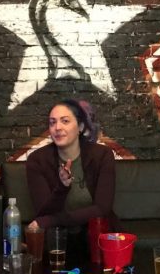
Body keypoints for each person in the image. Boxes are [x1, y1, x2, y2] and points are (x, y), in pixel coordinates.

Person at [25, 99, 115, 235]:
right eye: (52, 122)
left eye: (65, 121)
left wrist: (53, 220)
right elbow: (43, 213)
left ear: (80, 127)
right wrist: (62, 187)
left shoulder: (102, 155)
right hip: (57, 237)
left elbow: (102, 209)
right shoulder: (37, 160)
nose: (57, 127)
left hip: (96, 234)